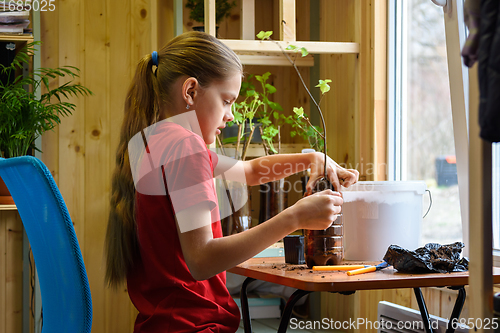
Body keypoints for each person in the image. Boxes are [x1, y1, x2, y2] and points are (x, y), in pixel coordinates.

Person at [105, 31, 359, 333]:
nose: (231, 116)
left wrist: (312, 159)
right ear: (190, 92)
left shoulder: (158, 141)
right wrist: (296, 216)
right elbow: (201, 259)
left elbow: (249, 171)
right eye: (227, 101)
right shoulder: (186, 147)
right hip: (196, 326)